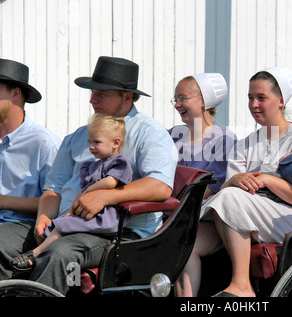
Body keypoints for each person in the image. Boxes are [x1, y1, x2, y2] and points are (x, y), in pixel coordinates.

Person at [0, 56, 177, 295]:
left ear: (127, 97)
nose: (93, 99)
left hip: (116, 232)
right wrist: (43, 217)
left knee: (59, 253)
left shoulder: (149, 133)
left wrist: (105, 197)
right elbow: (54, 187)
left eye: (102, 93)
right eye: (93, 92)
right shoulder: (78, 136)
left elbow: (160, 186)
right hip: (63, 223)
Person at [175, 66, 292, 297]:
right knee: (187, 241)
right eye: (250, 98)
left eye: (261, 98)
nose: (254, 104)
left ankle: (242, 285)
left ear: (280, 101)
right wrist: (235, 180)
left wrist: (268, 180)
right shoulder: (247, 144)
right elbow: (227, 192)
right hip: (254, 216)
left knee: (230, 198)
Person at [9, 114, 133, 271]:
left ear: (116, 143)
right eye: (90, 142)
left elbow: (110, 182)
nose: (91, 147)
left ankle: (35, 254)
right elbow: (81, 192)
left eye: (97, 142)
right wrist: (70, 211)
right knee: (59, 225)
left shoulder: (120, 163)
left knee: (62, 228)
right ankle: (36, 256)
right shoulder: (92, 166)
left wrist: (90, 190)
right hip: (86, 213)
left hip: (103, 217)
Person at [0, 58, 61, 223]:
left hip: (23, 225)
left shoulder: (45, 144)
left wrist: (4, 201)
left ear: (15, 94)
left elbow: (58, 200)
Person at [168, 73, 236, 198]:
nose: (177, 105)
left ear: (204, 100)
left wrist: (177, 209)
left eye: (182, 98)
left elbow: (212, 187)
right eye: (175, 99)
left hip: (194, 212)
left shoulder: (224, 140)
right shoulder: (173, 135)